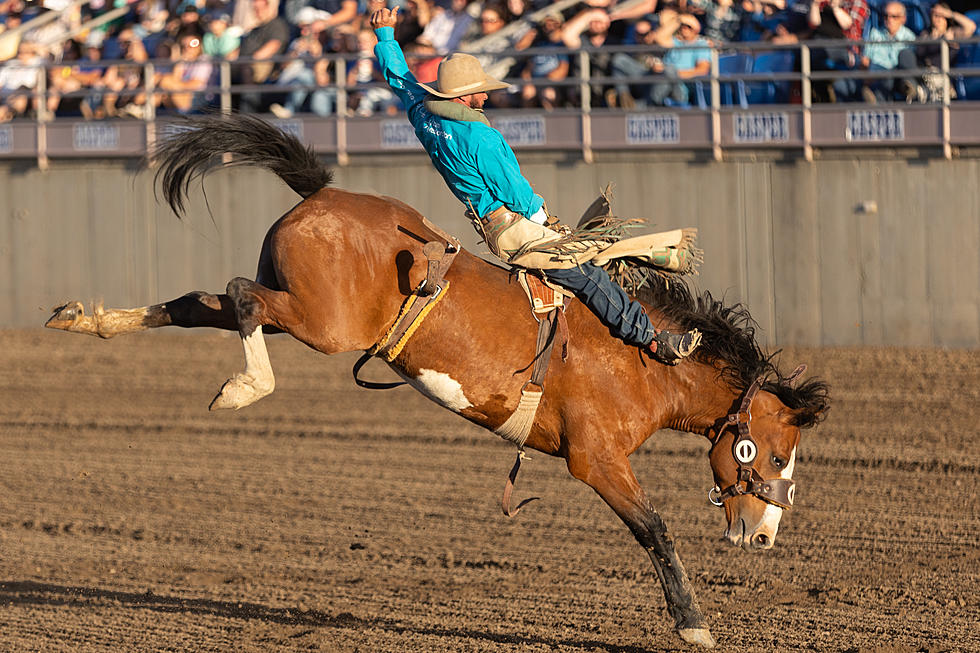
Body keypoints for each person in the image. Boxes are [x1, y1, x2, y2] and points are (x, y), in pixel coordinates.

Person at [369, 6, 702, 365]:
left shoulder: (422, 113)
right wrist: (546, 219)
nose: (485, 95)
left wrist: (386, 36)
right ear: (464, 98)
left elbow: (399, 78)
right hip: (514, 227)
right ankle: (650, 339)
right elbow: (516, 193)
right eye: (479, 91)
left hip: (492, 223)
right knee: (586, 276)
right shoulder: (481, 137)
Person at [852, 1, 916, 103]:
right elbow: (866, 59)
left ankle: (876, 105)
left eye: (894, 16)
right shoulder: (875, 34)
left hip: (895, 76)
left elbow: (907, 63)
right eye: (886, 16)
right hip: (874, 73)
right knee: (844, 82)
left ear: (903, 19)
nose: (889, 20)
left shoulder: (910, 37)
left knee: (887, 77)